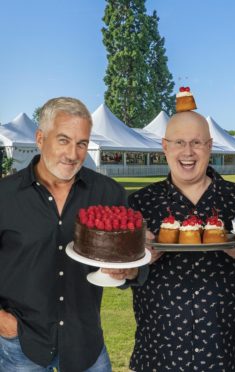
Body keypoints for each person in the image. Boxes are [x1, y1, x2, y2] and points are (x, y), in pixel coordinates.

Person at [0, 97, 142, 371]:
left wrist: (129, 272)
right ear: (40, 138)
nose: (73, 154)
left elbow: (133, 257)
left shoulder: (109, 193)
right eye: (63, 140)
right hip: (20, 345)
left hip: (85, 342)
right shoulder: (5, 195)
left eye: (82, 143)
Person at [128, 111, 235, 371]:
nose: (188, 152)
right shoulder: (139, 204)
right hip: (158, 355)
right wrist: (137, 258)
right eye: (179, 142)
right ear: (165, 147)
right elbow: (123, 275)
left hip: (227, 355)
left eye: (197, 142)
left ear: (209, 147)